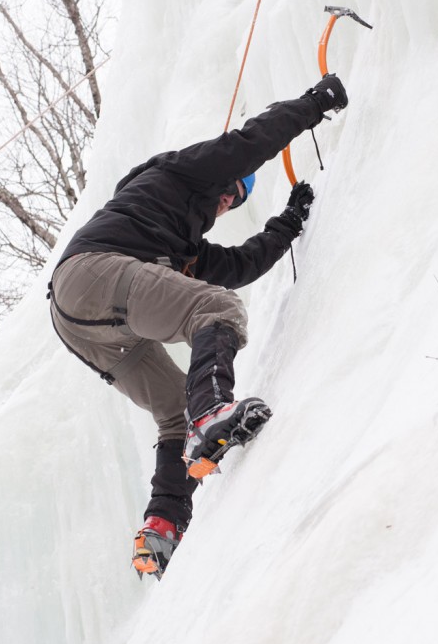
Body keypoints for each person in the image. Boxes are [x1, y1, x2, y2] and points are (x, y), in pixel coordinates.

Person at [48, 73, 348, 577]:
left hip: (78, 322)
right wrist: (313, 105)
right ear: (221, 182)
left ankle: (161, 528)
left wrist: (288, 224)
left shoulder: (182, 246)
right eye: (231, 194)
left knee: (172, 411)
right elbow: (250, 143)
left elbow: (238, 265)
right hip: (94, 271)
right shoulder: (177, 177)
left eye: (236, 204)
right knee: (219, 310)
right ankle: (212, 412)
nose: (228, 204)